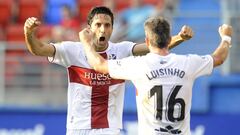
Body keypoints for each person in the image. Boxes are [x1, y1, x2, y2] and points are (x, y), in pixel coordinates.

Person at [24, 6, 193, 135]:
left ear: (112, 28)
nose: (103, 29)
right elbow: (39, 49)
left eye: (107, 25)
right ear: (89, 27)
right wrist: (29, 33)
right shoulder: (72, 50)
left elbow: (154, 47)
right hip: (77, 127)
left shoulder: (122, 50)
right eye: (98, 25)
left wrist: (180, 38)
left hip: (109, 128)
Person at [79, 16, 232, 135]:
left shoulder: (137, 65)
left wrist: (86, 43)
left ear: (146, 40)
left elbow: (99, 64)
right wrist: (226, 37)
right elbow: (219, 58)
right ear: (168, 39)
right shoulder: (188, 63)